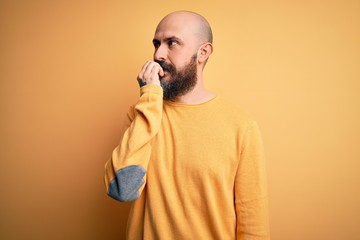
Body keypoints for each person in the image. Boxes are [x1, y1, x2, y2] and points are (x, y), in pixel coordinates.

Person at [104, 10, 270, 239]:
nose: (158, 54)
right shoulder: (141, 114)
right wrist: (150, 97)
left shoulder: (241, 126)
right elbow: (123, 189)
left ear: (202, 52)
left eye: (172, 43)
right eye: (156, 44)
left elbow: (253, 225)